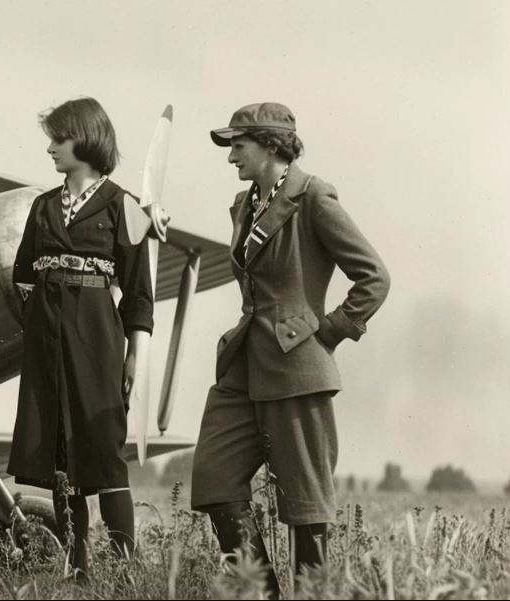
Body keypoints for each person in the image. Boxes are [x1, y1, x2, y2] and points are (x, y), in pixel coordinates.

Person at [192, 103, 390, 597]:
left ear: (271, 146)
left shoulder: (313, 196)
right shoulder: (245, 203)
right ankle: (262, 592)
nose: (231, 155)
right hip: (244, 367)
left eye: (239, 144)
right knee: (215, 480)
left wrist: (328, 333)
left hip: (297, 366)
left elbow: (374, 277)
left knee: (304, 505)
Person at [8, 97, 168, 581]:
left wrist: (134, 357)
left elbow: (139, 292)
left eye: (59, 137)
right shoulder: (41, 206)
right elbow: (21, 276)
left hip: (97, 335)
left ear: (87, 138)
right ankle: (75, 569)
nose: (51, 148)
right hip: (46, 338)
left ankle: (125, 570)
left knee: (102, 446)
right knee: (58, 445)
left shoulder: (124, 206)